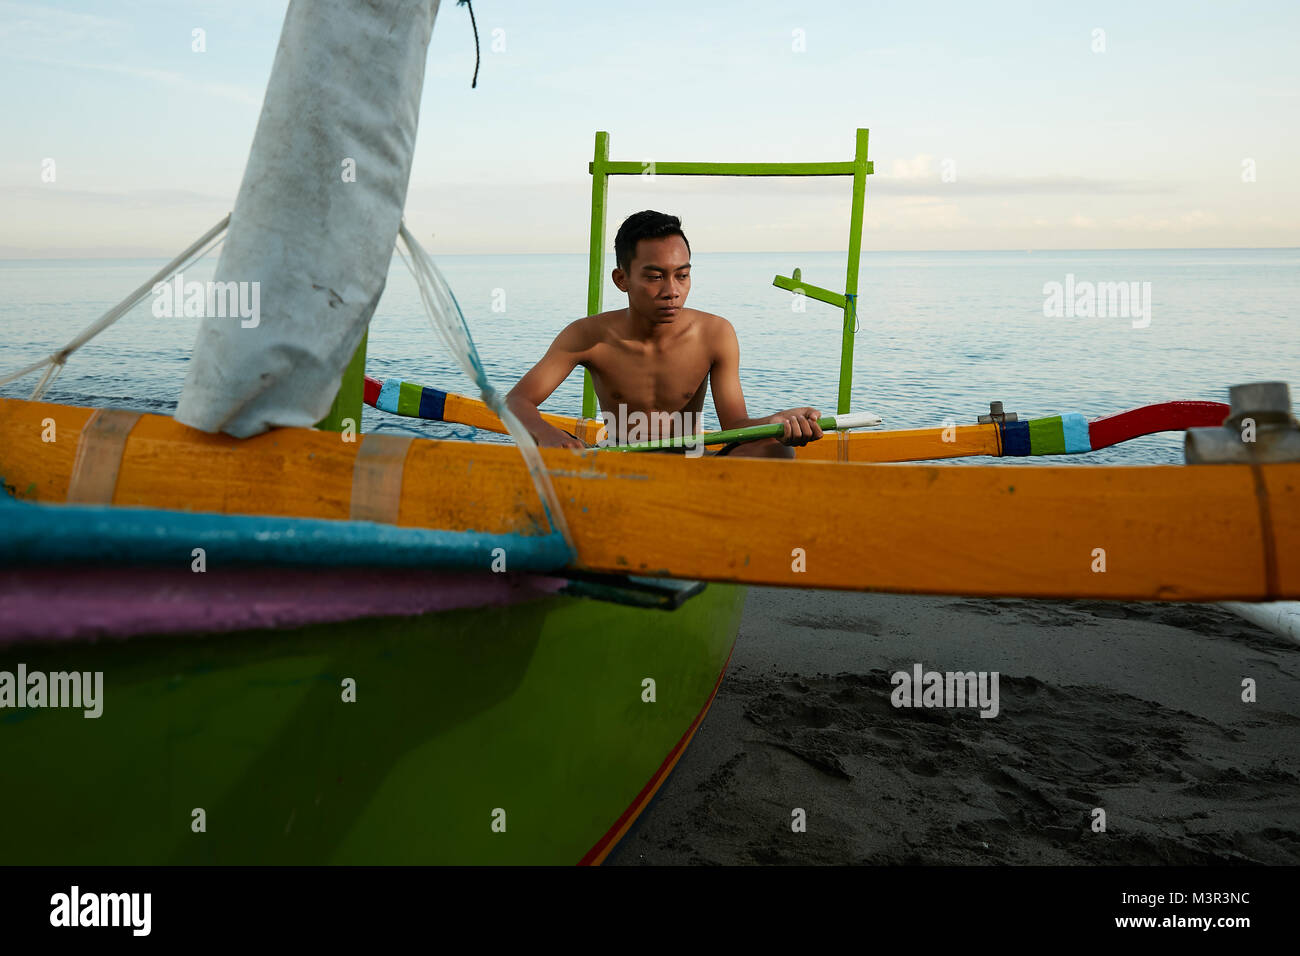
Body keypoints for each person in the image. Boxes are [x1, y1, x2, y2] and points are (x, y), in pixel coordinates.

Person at [505, 210, 823, 458]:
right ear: (621, 279)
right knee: (539, 450)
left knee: (776, 450)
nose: (672, 291)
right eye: (656, 277)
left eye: (682, 275)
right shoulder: (586, 336)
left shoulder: (715, 334)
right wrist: (544, 433)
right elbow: (516, 401)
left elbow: (735, 427)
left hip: (691, 464)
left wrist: (774, 423)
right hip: (619, 465)